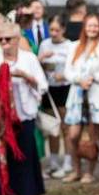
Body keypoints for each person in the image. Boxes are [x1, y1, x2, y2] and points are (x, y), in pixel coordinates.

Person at [0, 23, 49, 195]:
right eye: (0, 39)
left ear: (17, 39)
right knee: (3, 157)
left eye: (8, 39)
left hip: (24, 114)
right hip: (2, 117)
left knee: (23, 156)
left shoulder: (29, 59)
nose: (4, 42)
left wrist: (24, 76)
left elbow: (43, 86)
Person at [62, 15, 99, 184]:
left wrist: (95, 77)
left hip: (95, 97)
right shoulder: (74, 46)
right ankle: (76, 170)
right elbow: (67, 71)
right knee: (73, 135)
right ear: (84, 27)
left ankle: (90, 172)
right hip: (77, 97)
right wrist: (79, 80)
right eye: (89, 26)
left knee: (94, 136)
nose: (92, 29)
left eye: (95, 26)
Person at [37, 16, 75, 178]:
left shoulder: (70, 46)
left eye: (57, 30)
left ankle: (68, 160)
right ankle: (53, 161)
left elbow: (74, 67)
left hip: (65, 88)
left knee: (66, 126)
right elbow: (37, 66)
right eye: (51, 30)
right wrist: (42, 59)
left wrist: (64, 75)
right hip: (49, 89)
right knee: (52, 126)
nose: (53, 33)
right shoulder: (44, 44)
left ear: (63, 30)